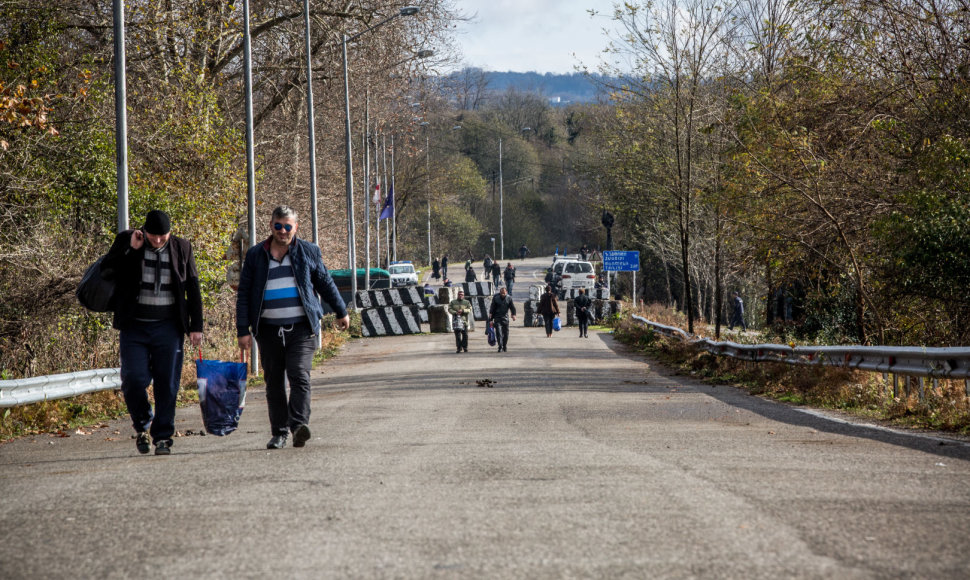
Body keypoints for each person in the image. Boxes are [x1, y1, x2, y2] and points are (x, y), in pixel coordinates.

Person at [236, 206, 350, 450]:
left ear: (295, 228)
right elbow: (244, 294)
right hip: (267, 329)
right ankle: (279, 433)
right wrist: (242, 330)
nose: (283, 231)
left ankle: (298, 427)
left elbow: (325, 282)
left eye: (288, 226)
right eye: (278, 226)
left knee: (299, 374)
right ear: (271, 226)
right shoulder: (256, 255)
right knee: (274, 382)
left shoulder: (308, 251)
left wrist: (341, 311)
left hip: (301, 328)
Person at [101, 210, 204, 456]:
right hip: (134, 326)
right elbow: (108, 269)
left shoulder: (182, 247)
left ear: (171, 232)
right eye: (153, 236)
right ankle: (142, 424)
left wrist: (196, 325)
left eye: (163, 236)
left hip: (168, 327)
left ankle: (163, 437)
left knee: (167, 383)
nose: (158, 240)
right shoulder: (129, 241)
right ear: (144, 231)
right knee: (133, 379)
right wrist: (132, 249)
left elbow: (192, 286)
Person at [488, 286, 517, 352]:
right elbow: (492, 308)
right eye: (502, 293)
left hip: (505, 318)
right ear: (500, 293)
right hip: (497, 318)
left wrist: (513, 315)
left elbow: (512, 307)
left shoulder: (509, 298)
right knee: (499, 333)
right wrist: (491, 319)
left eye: (504, 293)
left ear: (506, 292)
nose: (503, 294)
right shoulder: (496, 298)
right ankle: (500, 346)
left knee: (506, 334)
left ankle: (504, 345)